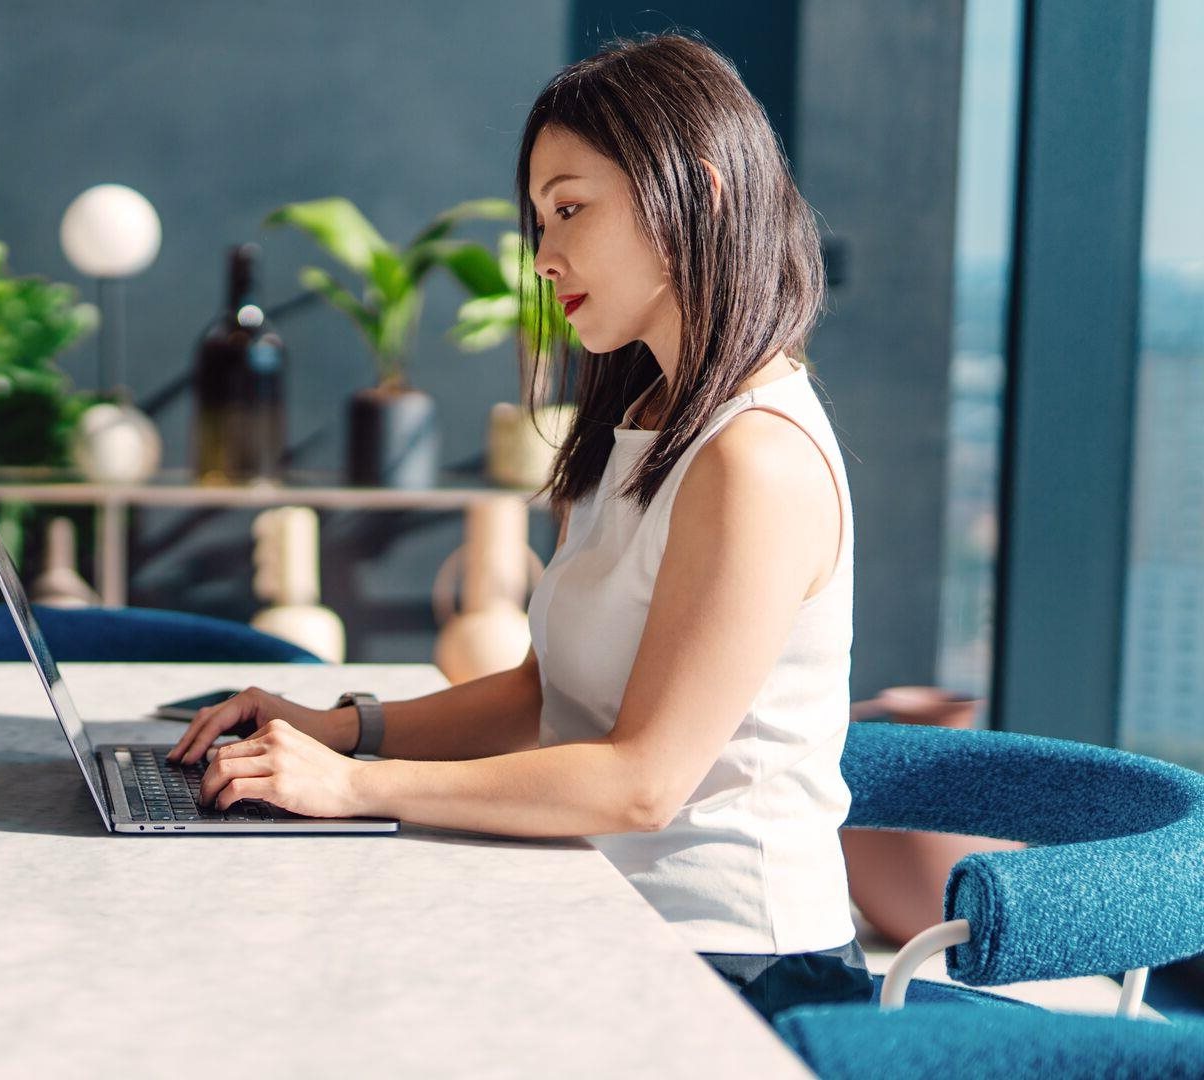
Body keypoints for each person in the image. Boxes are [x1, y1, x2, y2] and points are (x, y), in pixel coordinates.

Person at [166, 32, 870, 1023]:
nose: (544, 259)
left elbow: (639, 787)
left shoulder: (756, 460)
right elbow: (548, 697)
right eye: (541, 221)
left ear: (698, 197)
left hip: (735, 973)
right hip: (603, 910)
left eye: (572, 210)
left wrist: (354, 789)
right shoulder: (647, 423)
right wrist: (339, 732)